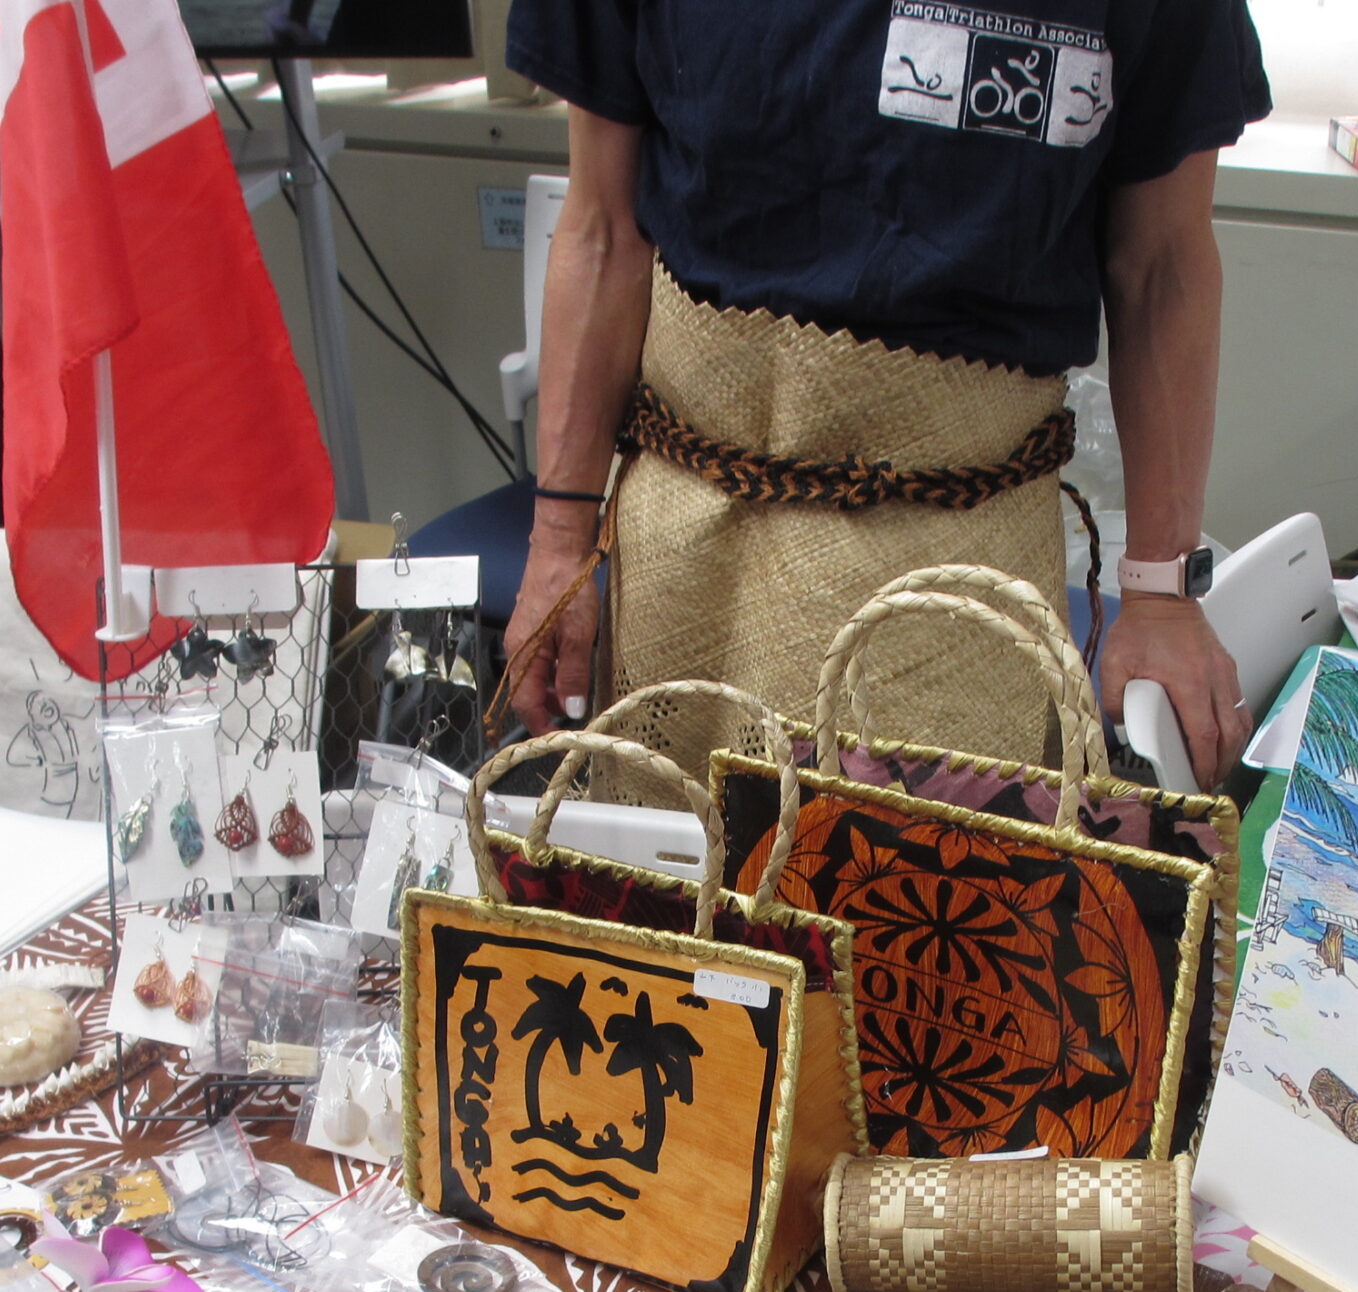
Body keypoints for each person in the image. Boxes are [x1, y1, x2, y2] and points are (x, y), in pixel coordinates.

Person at [499, 0, 1268, 788]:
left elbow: (1161, 265)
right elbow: (602, 228)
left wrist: (1163, 594)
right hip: (683, 550)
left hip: (954, 566)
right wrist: (559, 541)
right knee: (656, 841)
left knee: (924, 858)